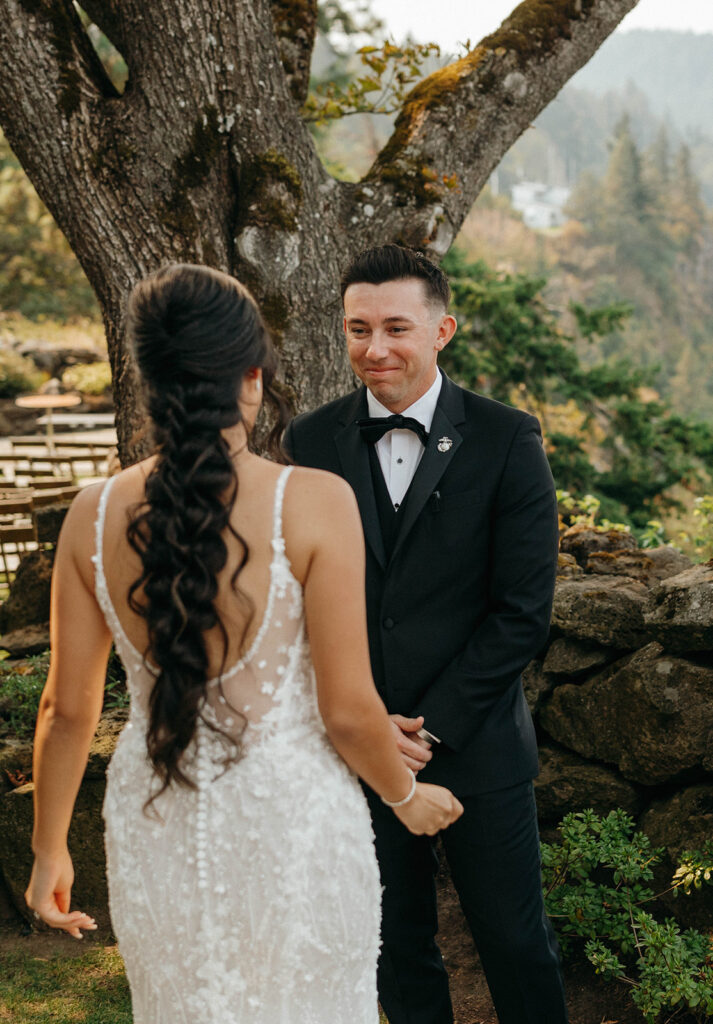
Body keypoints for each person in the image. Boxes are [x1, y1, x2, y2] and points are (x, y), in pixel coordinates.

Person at [25, 263, 462, 1023]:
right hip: (292, 821)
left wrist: (47, 852)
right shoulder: (316, 500)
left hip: (153, 815)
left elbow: (66, 710)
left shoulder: (91, 514)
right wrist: (405, 796)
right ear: (251, 377)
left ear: (151, 378)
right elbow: (351, 711)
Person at [283, 245, 569, 1024]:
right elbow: (299, 603)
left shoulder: (507, 437)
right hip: (355, 747)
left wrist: (427, 728)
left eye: (396, 328)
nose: (374, 349)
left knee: (514, 944)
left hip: (477, 744)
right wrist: (367, 725)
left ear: (443, 329)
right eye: (357, 329)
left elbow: (520, 611)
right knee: (392, 948)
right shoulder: (309, 443)